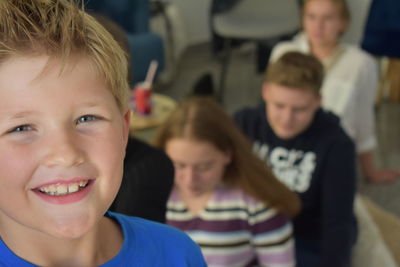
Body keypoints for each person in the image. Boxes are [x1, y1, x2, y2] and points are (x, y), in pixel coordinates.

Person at [0, 1, 206, 266]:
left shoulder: (177, 254)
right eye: (21, 128)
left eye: (86, 118)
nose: (65, 154)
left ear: (123, 132)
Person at [234, 52, 357, 267]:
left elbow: (337, 221)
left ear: (318, 101)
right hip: (250, 229)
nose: (287, 119)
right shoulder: (243, 123)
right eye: (279, 106)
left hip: (307, 234)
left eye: (299, 109)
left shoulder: (337, 144)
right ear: (265, 92)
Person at [154, 97, 301, 267]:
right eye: (178, 165)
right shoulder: (153, 195)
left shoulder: (258, 204)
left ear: (228, 155)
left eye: (204, 167)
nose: (190, 179)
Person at [269, 0, 400, 183]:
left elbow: (363, 121)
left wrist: (371, 172)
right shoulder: (284, 53)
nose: (318, 26)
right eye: (311, 17)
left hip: (331, 154)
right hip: (284, 152)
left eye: (327, 19)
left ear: (344, 22)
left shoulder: (360, 64)